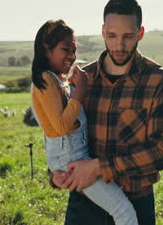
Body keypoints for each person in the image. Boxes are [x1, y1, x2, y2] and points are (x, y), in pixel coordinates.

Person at [57, 0, 163, 225]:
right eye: (113, 36)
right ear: (103, 31)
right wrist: (56, 172)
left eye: (128, 36)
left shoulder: (160, 81)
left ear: (141, 33)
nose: (119, 46)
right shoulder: (82, 79)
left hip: (135, 201)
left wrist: (98, 167)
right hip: (84, 203)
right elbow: (63, 134)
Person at [31, 19, 138, 225]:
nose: (72, 56)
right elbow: (62, 127)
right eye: (65, 50)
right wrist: (80, 90)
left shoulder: (55, 79)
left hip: (72, 157)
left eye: (73, 50)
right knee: (124, 212)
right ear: (46, 49)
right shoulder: (45, 80)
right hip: (73, 158)